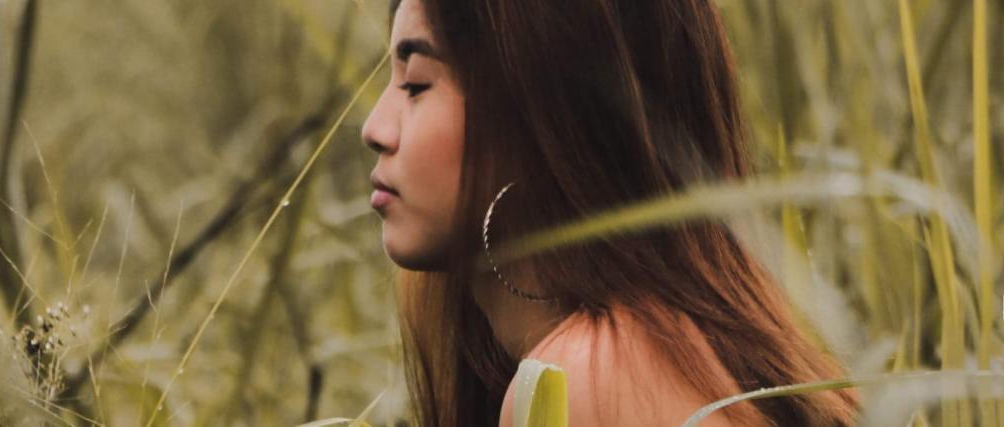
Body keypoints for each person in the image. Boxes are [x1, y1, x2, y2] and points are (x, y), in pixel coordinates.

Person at [359, 0, 859, 425]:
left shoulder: (582, 382)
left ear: (544, 119)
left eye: (417, 83)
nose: (375, 127)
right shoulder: (669, 351)